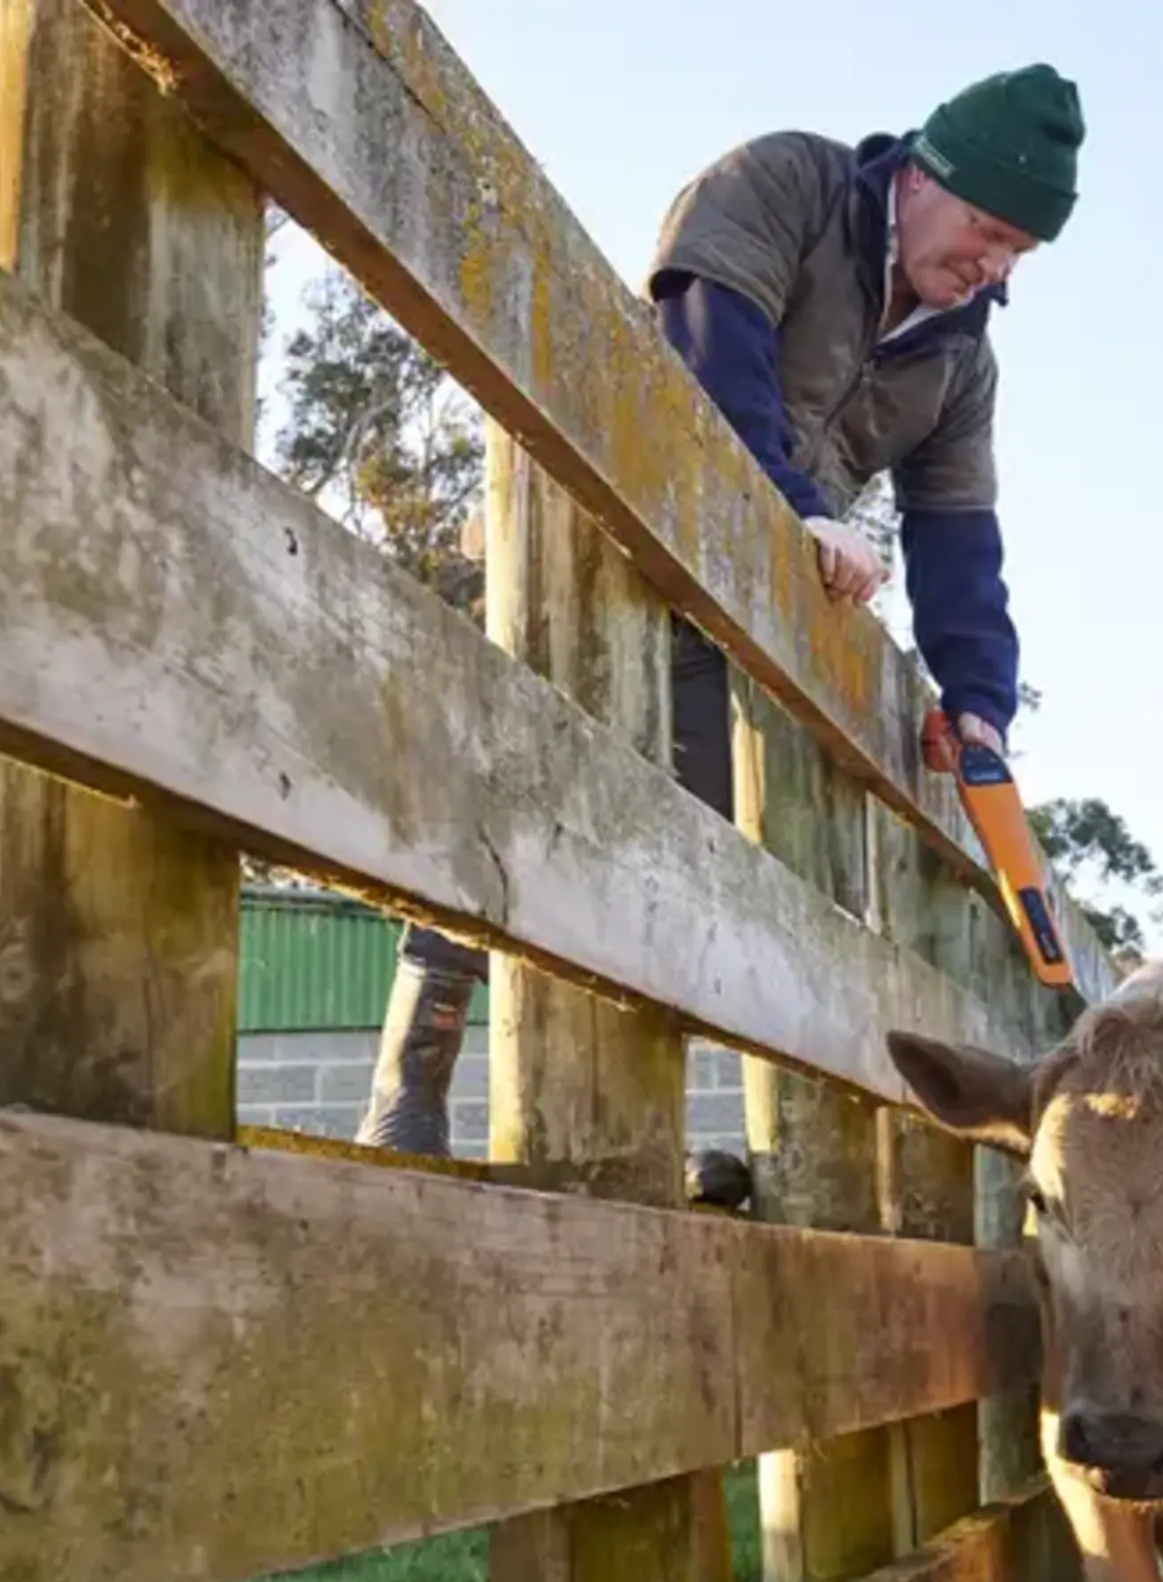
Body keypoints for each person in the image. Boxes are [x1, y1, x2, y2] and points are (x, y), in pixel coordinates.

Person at [354, 63, 1087, 1157]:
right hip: (598, 538)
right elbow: (705, 348)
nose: (992, 266)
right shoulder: (787, 183)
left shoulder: (959, 360)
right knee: (517, 781)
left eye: (1017, 252)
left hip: (738, 616)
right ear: (924, 176)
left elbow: (957, 536)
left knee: (668, 839)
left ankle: (625, 1133)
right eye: (986, 229)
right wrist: (800, 511)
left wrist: (977, 696)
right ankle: (412, 1076)